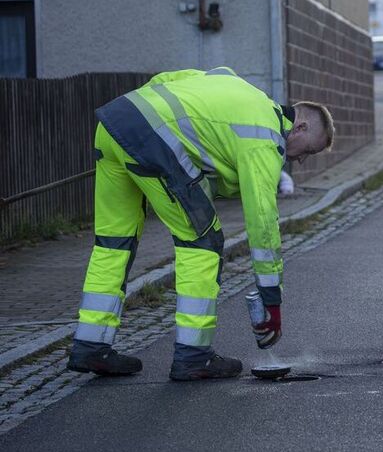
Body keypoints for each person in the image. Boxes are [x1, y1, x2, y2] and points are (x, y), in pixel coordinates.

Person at [66, 67, 335, 381]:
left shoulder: (234, 83)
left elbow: (164, 82)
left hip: (115, 124)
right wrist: (271, 299)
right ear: (299, 127)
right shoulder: (265, 139)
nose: (301, 161)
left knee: (113, 242)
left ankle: (90, 345)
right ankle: (194, 356)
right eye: (309, 151)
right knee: (202, 243)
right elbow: (262, 223)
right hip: (152, 139)